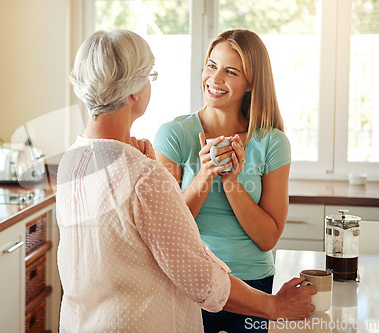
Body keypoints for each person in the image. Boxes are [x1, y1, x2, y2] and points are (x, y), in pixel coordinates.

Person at [56, 29, 314, 333]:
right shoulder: (145, 173)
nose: (215, 78)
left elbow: (124, 244)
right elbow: (200, 276)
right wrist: (277, 305)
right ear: (134, 91)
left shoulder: (70, 161)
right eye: (149, 76)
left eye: (231, 71)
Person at [153, 29, 291, 332]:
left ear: (251, 83)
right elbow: (166, 228)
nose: (215, 79)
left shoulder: (272, 142)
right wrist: (206, 174)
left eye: (231, 71)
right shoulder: (174, 135)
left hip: (254, 285)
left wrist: (230, 180)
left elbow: (268, 238)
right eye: (211, 65)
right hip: (192, 281)